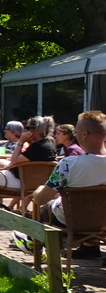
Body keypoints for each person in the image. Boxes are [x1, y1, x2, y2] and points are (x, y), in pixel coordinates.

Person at [19, 110, 106, 262]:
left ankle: (40, 254)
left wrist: (39, 190)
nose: (75, 135)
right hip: (103, 222)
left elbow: (41, 198)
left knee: (43, 208)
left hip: (73, 220)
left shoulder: (68, 164)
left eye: (76, 131)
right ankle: (90, 247)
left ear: (84, 134)